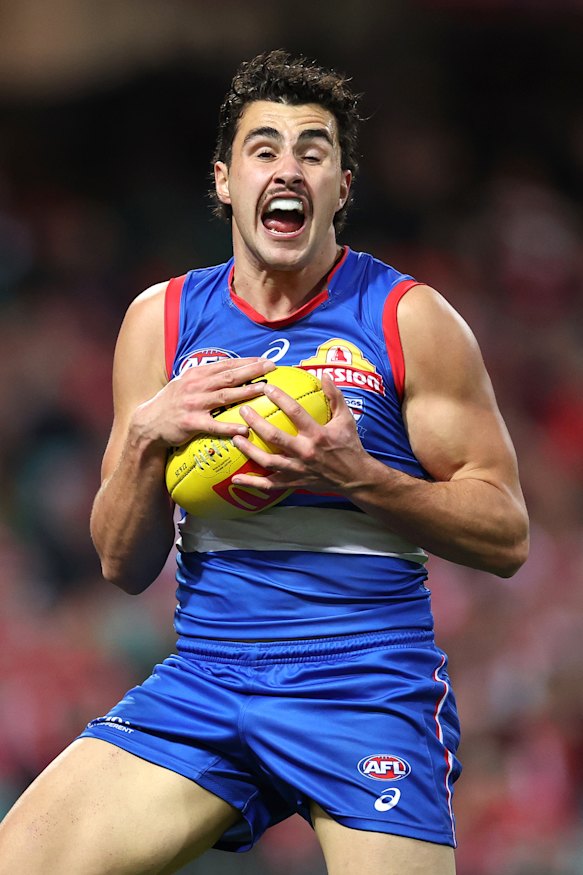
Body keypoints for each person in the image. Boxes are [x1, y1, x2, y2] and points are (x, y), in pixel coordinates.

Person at [0, 49, 529, 875]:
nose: (289, 167)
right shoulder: (162, 321)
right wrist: (146, 439)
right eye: (265, 149)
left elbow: (505, 534)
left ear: (342, 187)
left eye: (313, 151)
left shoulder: (409, 320)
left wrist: (360, 475)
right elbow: (118, 562)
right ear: (223, 181)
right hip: (207, 680)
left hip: (363, 686)